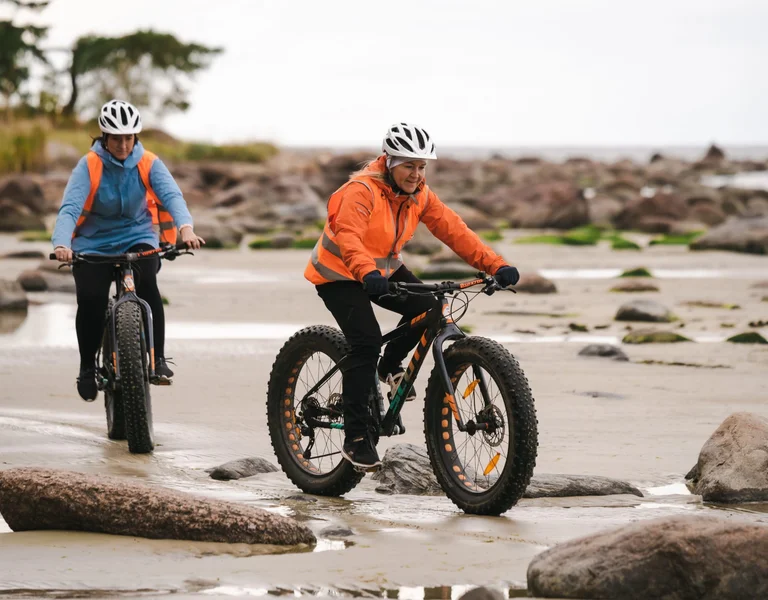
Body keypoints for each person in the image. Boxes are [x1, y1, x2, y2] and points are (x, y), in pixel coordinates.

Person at [304, 122, 520, 469]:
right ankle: (357, 437)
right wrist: (366, 273)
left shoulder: (420, 194)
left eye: (422, 167)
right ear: (389, 161)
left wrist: (495, 264)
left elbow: (454, 230)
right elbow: (348, 237)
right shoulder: (359, 191)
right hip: (339, 273)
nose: (416, 174)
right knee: (366, 342)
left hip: (382, 272)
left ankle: (390, 367)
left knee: (431, 307)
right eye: (409, 165)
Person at [52, 99, 204, 402]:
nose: (123, 145)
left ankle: (157, 359)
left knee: (148, 283)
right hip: (92, 241)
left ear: (135, 136)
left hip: (138, 235)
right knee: (92, 299)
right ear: (104, 137)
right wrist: (61, 243)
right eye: (116, 138)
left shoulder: (148, 162)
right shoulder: (90, 164)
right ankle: (86, 367)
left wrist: (186, 228)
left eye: (128, 137)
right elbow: (70, 208)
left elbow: (172, 196)